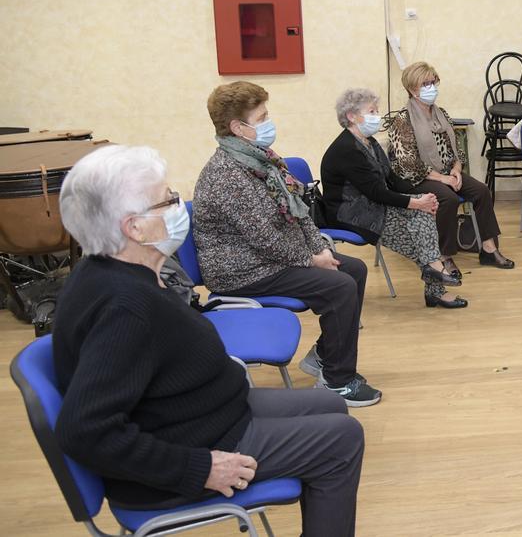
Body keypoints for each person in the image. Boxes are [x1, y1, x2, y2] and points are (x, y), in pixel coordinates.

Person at [54, 145, 363, 536]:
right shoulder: (124, 307)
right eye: (167, 200)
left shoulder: (117, 271)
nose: (177, 207)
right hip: (183, 455)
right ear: (134, 227)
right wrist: (198, 468)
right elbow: (83, 430)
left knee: (330, 402)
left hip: (203, 415)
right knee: (342, 439)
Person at [193, 81, 381, 407]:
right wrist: (311, 260)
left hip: (269, 258)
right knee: (339, 286)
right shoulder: (227, 173)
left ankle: (324, 356)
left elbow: (298, 210)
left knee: (355, 270)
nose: (269, 122)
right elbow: (263, 239)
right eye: (262, 116)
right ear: (238, 127)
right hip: (242, 269)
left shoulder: (261, 157)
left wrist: (320, 249)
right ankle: (338, 381)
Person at [322, 87, 467, 309]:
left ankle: (434, 272)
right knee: (421, 237)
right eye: (371, 111)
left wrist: (421, 197)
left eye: (376, 110)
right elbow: (375, 192)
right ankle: (436, 281)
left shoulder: (368, 142)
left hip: (372, 205)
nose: (376, 115)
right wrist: (415, 202)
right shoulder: (346, 149)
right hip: (351, 214)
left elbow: (392, 179)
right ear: (352, 116)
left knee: (422, 215)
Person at [384, 62, 513, 275]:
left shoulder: (441, 113)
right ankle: (444, 256)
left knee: (481, 191)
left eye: (432, 82)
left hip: (446, 173)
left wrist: (456, 168)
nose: (431, 87)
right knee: (448, 198)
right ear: (412, 89)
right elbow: (408, 162)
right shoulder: (402, 120)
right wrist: (442, 179)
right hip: (415, 178)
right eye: (424, 83)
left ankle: (489, 249)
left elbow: (457, 148)